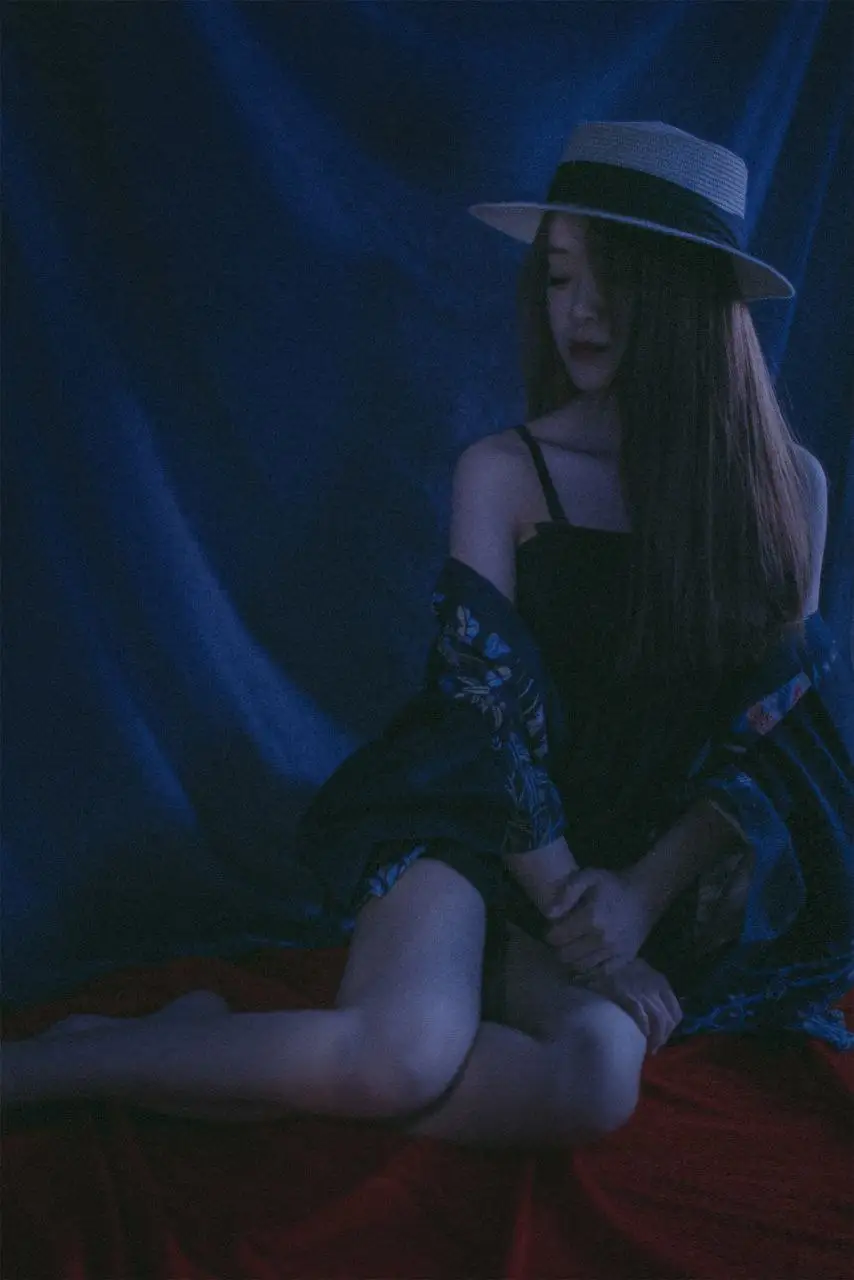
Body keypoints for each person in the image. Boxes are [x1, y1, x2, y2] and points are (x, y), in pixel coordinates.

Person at [4, 121, 852, 1147]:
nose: (577, 311)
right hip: (478, 825)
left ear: (683, 296)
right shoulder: (503, 470)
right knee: (397, 1055)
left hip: (630, 875)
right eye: (557, 276)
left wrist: (635, 899)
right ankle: (43, 1066)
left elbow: (769, 736)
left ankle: (207, 1049)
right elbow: (479, 719)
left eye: (613, 279)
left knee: (593, 1084)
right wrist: (569, 901)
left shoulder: (789, 490)